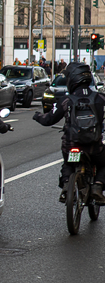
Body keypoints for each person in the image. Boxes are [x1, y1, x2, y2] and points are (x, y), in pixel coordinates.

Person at [33, 62, 105, 203]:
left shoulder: (66, 100)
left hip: (71, 145)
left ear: (72, 79)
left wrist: (37, 116)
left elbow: (49, 119)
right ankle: (98, 186)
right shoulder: (100, 98)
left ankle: (66, 185)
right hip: (94, 146)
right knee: (103, 163)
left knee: (68, 163)